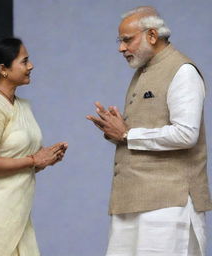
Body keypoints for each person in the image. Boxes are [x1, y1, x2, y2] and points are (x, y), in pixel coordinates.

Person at [87, 6, 212, 256]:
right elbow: (141, 134)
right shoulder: (144, 72)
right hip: (132, 201)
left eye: (127, 40)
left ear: (152, 36)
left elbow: (187, 134)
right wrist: (117, 132)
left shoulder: (182, 71)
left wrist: (127, 134)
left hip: (168, 204)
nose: (121, 48)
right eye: (120, 41)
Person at [0, 37, 68, 256]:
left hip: (16, 211)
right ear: (3, 69)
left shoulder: (19, 105)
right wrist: (33, 160)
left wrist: (43, 160)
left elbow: (14, 158)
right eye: (24, 61)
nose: (31, 66)